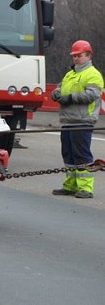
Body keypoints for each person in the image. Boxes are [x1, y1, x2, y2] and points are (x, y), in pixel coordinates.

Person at [50, 40, 104, 198]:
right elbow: (60, 87)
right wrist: (57, 93)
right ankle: (71, 185)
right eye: (74, 55)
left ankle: (86, 188)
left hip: (82, 121)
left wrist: (70, 98)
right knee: (68, 155)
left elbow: (92, 94)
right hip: (67, 121)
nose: (75, 58)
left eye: (79, 55)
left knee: (81, 155)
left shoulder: (93, 74)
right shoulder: (71, 73)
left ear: (88, 55)